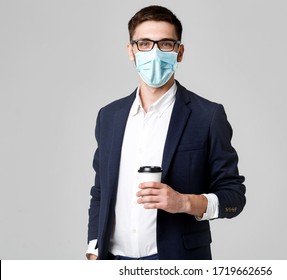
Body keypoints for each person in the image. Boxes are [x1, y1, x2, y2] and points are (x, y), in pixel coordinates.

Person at [87, 5, 246, 260]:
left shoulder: (207, 116)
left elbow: (234, 197)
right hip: (112, 260)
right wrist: (94, 249)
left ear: (179, 52)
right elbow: (101, 191)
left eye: (166, 44)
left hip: (176, 261)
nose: (155, 53)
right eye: (145, 44)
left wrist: (184, 203)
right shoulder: (109, 117)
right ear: (131, 51)